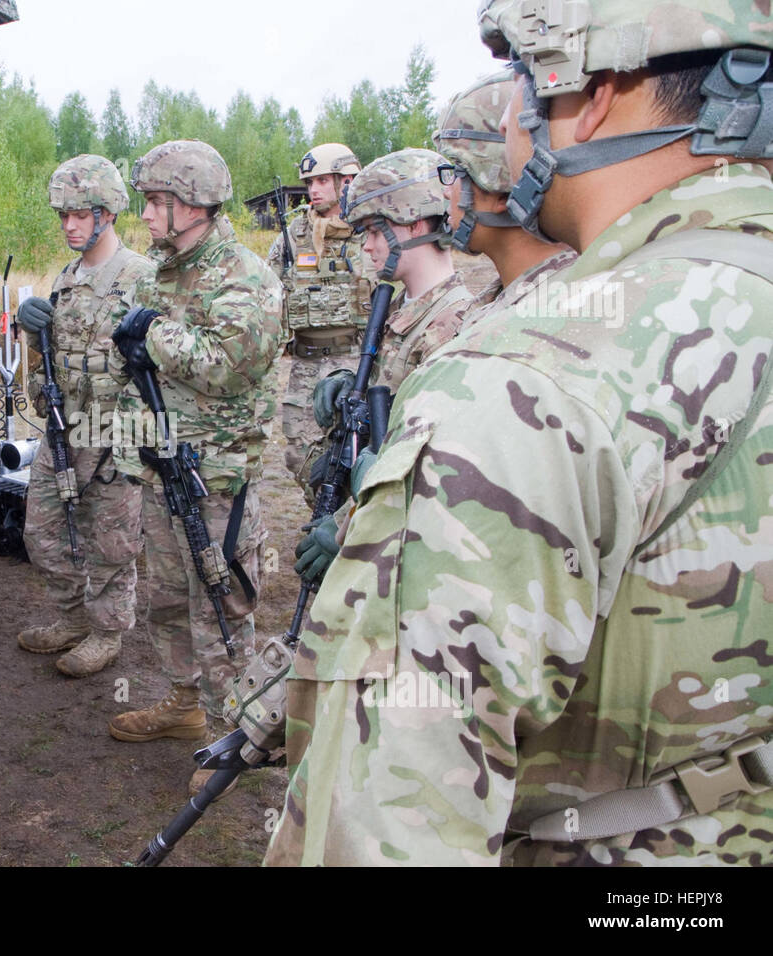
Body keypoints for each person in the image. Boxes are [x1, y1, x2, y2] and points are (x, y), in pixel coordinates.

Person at [265, 0, 773, 865]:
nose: (503, 118)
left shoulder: (528, 377)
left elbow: (391, 815)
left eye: (515, 77)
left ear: (590, 92)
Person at [107, 140, 284, 796]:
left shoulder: (244, 276)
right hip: (165, 467)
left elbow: (221, 364)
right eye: (148, 200)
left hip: (217, 480)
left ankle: (246, 736)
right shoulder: (161, 273)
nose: (147, 214)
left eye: (157, 202)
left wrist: (152, 333)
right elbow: (138, 371)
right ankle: (185, 707)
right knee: (170, 602)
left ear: (192, 205)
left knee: (224, 608)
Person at [293, 148, 472, 589]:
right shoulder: (396, 308)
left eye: (375, 230)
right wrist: (346, 387)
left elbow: (422, 469)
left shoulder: (450, 325)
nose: (367, 246)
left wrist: (346, 526)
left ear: (414, 224)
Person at [14, 155, 151, 677]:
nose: (69, 225)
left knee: (112, 542)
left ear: (108, 212)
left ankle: (107, 632)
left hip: (115, 435)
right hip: (64, 428)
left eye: (79, 214)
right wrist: (33, 332)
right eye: (62, 215)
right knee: (44, 531)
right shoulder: (67, 278)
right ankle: (71, 618)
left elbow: (157, 368)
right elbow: (49, 363)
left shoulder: (142, 279)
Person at [432, 71, 577, 327]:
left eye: (456, 171)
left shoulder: (543, 317)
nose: (446, 191)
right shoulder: (517, 300)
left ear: (499, 187)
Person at [266, 143, 372, 490]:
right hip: (306, 362)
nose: (313, 189)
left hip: (357, 360)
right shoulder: (294, 236)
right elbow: (269, 293)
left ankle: (350, 530)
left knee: (356, 450)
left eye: (323, 180)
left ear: (347, 181)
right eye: (310, 182)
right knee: (298, 453)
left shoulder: (369, 231)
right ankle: (324, 517)